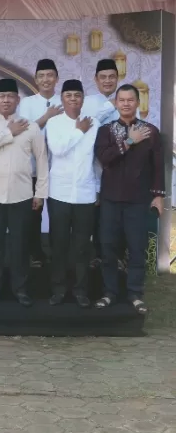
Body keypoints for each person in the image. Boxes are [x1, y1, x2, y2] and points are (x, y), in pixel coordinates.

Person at [0, 78, 48, 307]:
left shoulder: (31, 126)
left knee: (19, 245)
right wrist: (8, 132)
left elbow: (42, 161)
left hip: (23, 196)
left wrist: (40, 193)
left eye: (10, 97)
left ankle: (20, 289)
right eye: (1, 97)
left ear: (18, 100)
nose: (6, 100)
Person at [94, 84, 165, 315]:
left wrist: (158, 196)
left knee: (137, 247)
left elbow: (157, 167)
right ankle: (109, 292)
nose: (125, 104)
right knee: (108, 246)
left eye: (130, 100)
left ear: (137, 103)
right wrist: (129, 142)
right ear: (116, 103)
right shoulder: (105, 130)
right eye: (121, 100)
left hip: (137, 199)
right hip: (110, 199)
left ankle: (135, 293)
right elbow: (105, 158)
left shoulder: (151, 131)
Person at [45, 79, 99, 308]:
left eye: (77, 95)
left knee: (81, 245)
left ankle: (80, 290)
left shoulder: (94, 123)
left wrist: (97, 189)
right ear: (62, 99)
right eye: (69, 95)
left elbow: (97, 160)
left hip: (85, 194)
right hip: (59, 193)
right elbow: (57, 149)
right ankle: (58, 289)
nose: (73, 99)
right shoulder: (54, 123)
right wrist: (78, 132)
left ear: (83, 99)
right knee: (58, 244)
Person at [18, 58, 63, 268]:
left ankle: (57, 254)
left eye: (50, 75)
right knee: (33, 213)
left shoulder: (65, 101)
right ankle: (35, 253)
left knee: (57, 214)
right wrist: (47, 116)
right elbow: (24, 130)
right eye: (41, 76)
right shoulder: (27, 103)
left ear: (56, 78)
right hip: (33, 169)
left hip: (59, 168)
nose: (46, 80)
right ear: (35, 79)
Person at [82, 58, 125, 268]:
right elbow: (88, 124)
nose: (107, 81)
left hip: (121, 167)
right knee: (98, 215)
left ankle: (117, 256)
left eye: (112, 77)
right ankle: (98, 255)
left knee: (117, 215)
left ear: (118, 78)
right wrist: (110, 105)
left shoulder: (125, 99)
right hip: (94, 167)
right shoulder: (88, 101)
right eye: (103, 77)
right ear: (96, 79)